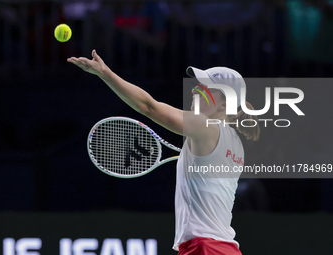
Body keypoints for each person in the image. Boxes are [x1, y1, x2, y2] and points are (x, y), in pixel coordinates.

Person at [67, 50, 260, 255]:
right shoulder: (235, 144)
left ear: (224, 103)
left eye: (206, 87)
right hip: (226, 249)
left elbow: (149, 107)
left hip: (204, 248)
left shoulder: (205, 126)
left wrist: (105, 73)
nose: (195, 91)